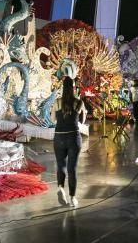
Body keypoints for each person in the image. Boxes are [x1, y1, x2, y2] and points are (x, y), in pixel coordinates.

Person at [54, 76, 84, 207]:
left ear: (62, 87)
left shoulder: (57, 102)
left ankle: (60, 187)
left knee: (61, 165)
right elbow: (82, 121)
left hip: (59, 136)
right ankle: (72, 198)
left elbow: (52, 119)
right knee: (72, 168)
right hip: (73, 137)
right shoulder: (79, 102)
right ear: (73, 87)